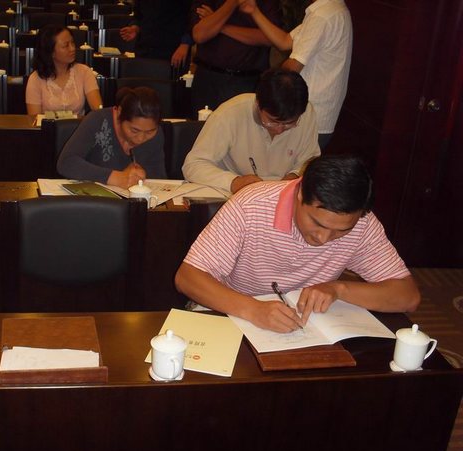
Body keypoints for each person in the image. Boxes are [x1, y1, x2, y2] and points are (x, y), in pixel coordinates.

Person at [175, 154, 421, 333]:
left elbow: (407, 296)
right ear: (300, 193)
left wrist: (338, 289)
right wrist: (253, 309)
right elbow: (188, 277)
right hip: (231, 312)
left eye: (341, 231)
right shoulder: (251, 205)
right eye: (317, 223)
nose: (323, 238)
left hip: (304, 327)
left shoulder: (363, 224)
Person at [182, 68, 320, 194]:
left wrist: (295, 176)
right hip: (233, 195)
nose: (279, 130)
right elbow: (193, 165)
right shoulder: (230, 113)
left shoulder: (307, 114)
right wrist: (233, 182)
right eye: (272, 121)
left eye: (289, 124)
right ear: (258, 104)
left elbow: (310, 162)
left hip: (282, 195)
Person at [240, 0, 352, 149]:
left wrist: (264, 85)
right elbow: (285, 41)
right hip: (313, 117)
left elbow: (292, 68)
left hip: (305, 118)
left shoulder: (323, 15)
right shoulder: (331, 8)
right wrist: (254, 11)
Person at [57, 86, 167, 189]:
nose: (140, 138)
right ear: (119, 113)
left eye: (149, 132)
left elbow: (159, 177)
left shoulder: (156, 135)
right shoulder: (97, 120)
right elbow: (66, 162)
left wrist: (142, 175)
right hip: (93, 198)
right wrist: (114, 177)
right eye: (134, 130)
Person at [189, 0, 281, 118]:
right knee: (201, 125)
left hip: (245, 80)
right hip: (207, 78)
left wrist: (220, 26)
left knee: (240, 126)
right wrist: (232, 2)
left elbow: (269, 38)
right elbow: (200, 34)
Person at [25, 25, 102, 117]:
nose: (72, 48)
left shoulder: (84, 71)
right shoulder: (35, 78)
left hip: (78, 125)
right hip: (48, 126)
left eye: (72, 43)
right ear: (51, 52)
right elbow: (34, 118)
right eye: (66, 46)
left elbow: (98, 110)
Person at [119, 0, 193, 71]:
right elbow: (138, 16)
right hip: (145, 49)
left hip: (173, 52)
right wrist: (135, 28)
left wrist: (185, 44)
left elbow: (192, 18)